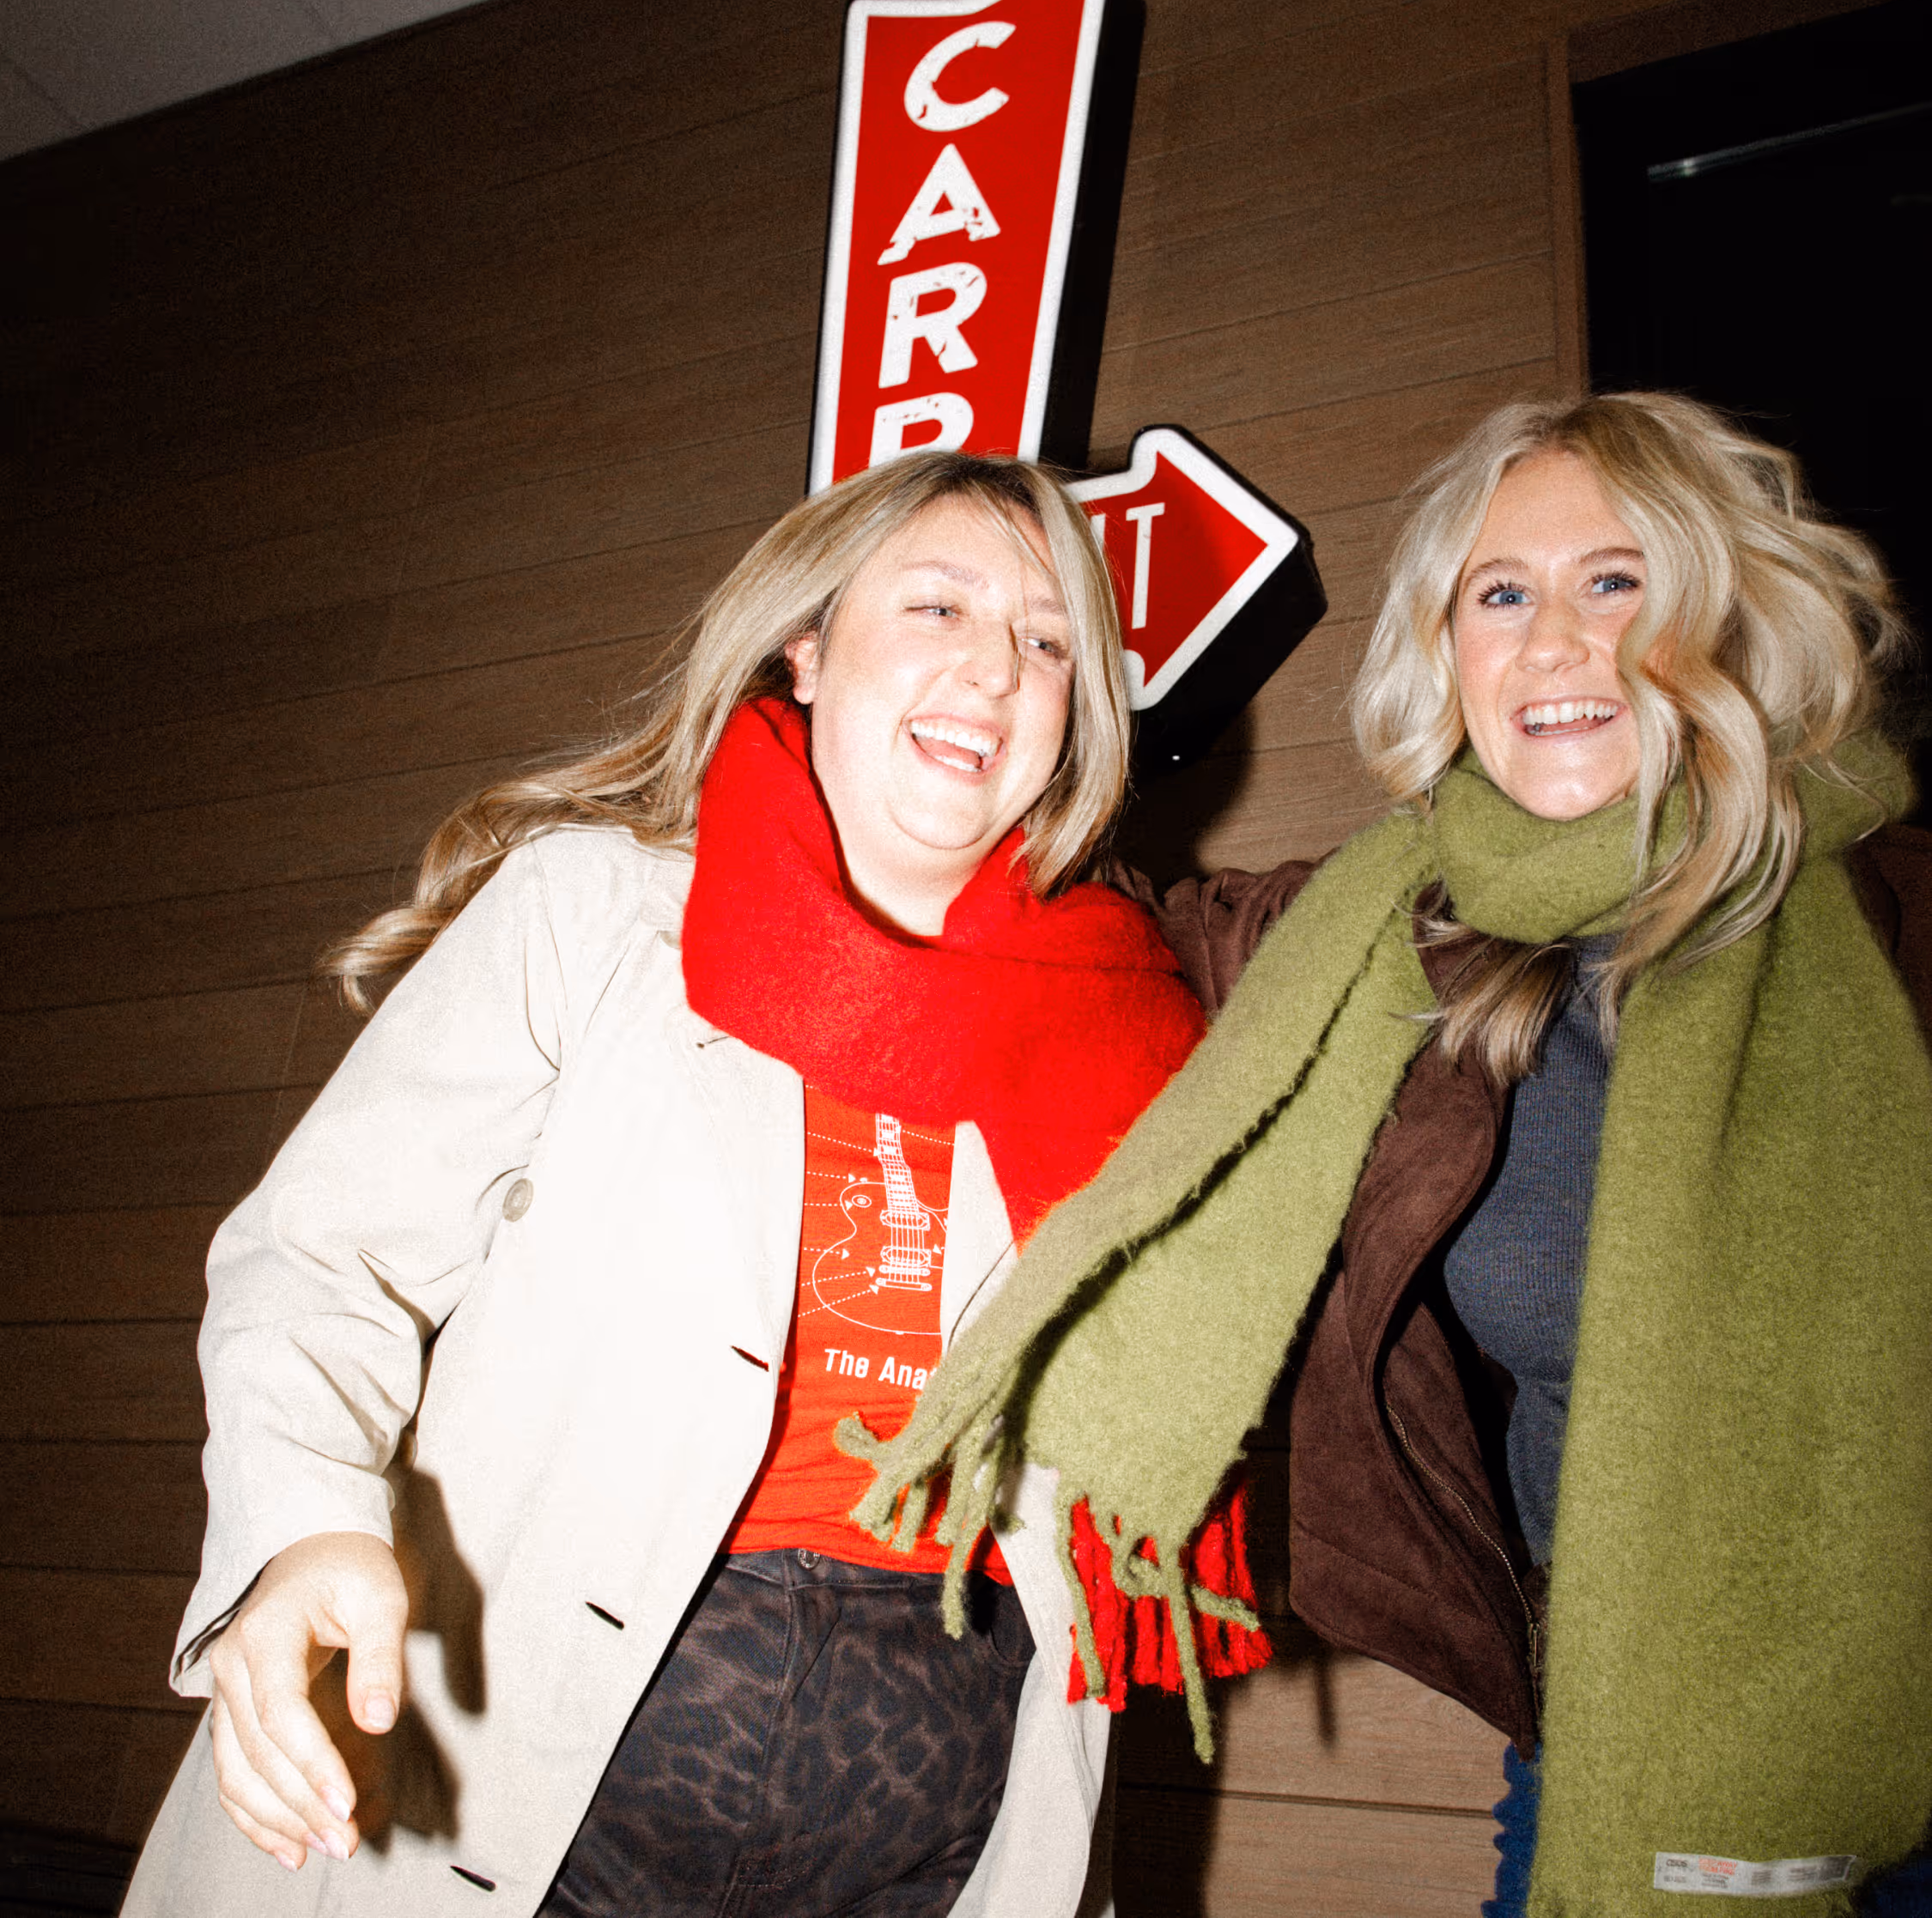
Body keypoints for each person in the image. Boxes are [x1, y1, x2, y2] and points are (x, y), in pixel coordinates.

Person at [854, 394, 1932, 1915]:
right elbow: (1074, 932)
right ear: (1447, 652)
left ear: (1726, 609)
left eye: (1613, 578)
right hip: (1609, 1739)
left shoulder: (1892, 922)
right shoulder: (1389, 937)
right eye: (1500, 595)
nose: (1554, 641)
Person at [120, 449, 1210, 1918]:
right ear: (806, 647)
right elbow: (323, 1256)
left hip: (931, 1813)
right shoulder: (593, 910)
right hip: (504, 1760)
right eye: (938, 606)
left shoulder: (1127, 1022)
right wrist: (303, 1525)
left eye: (1047, 640)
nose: (994, 668)